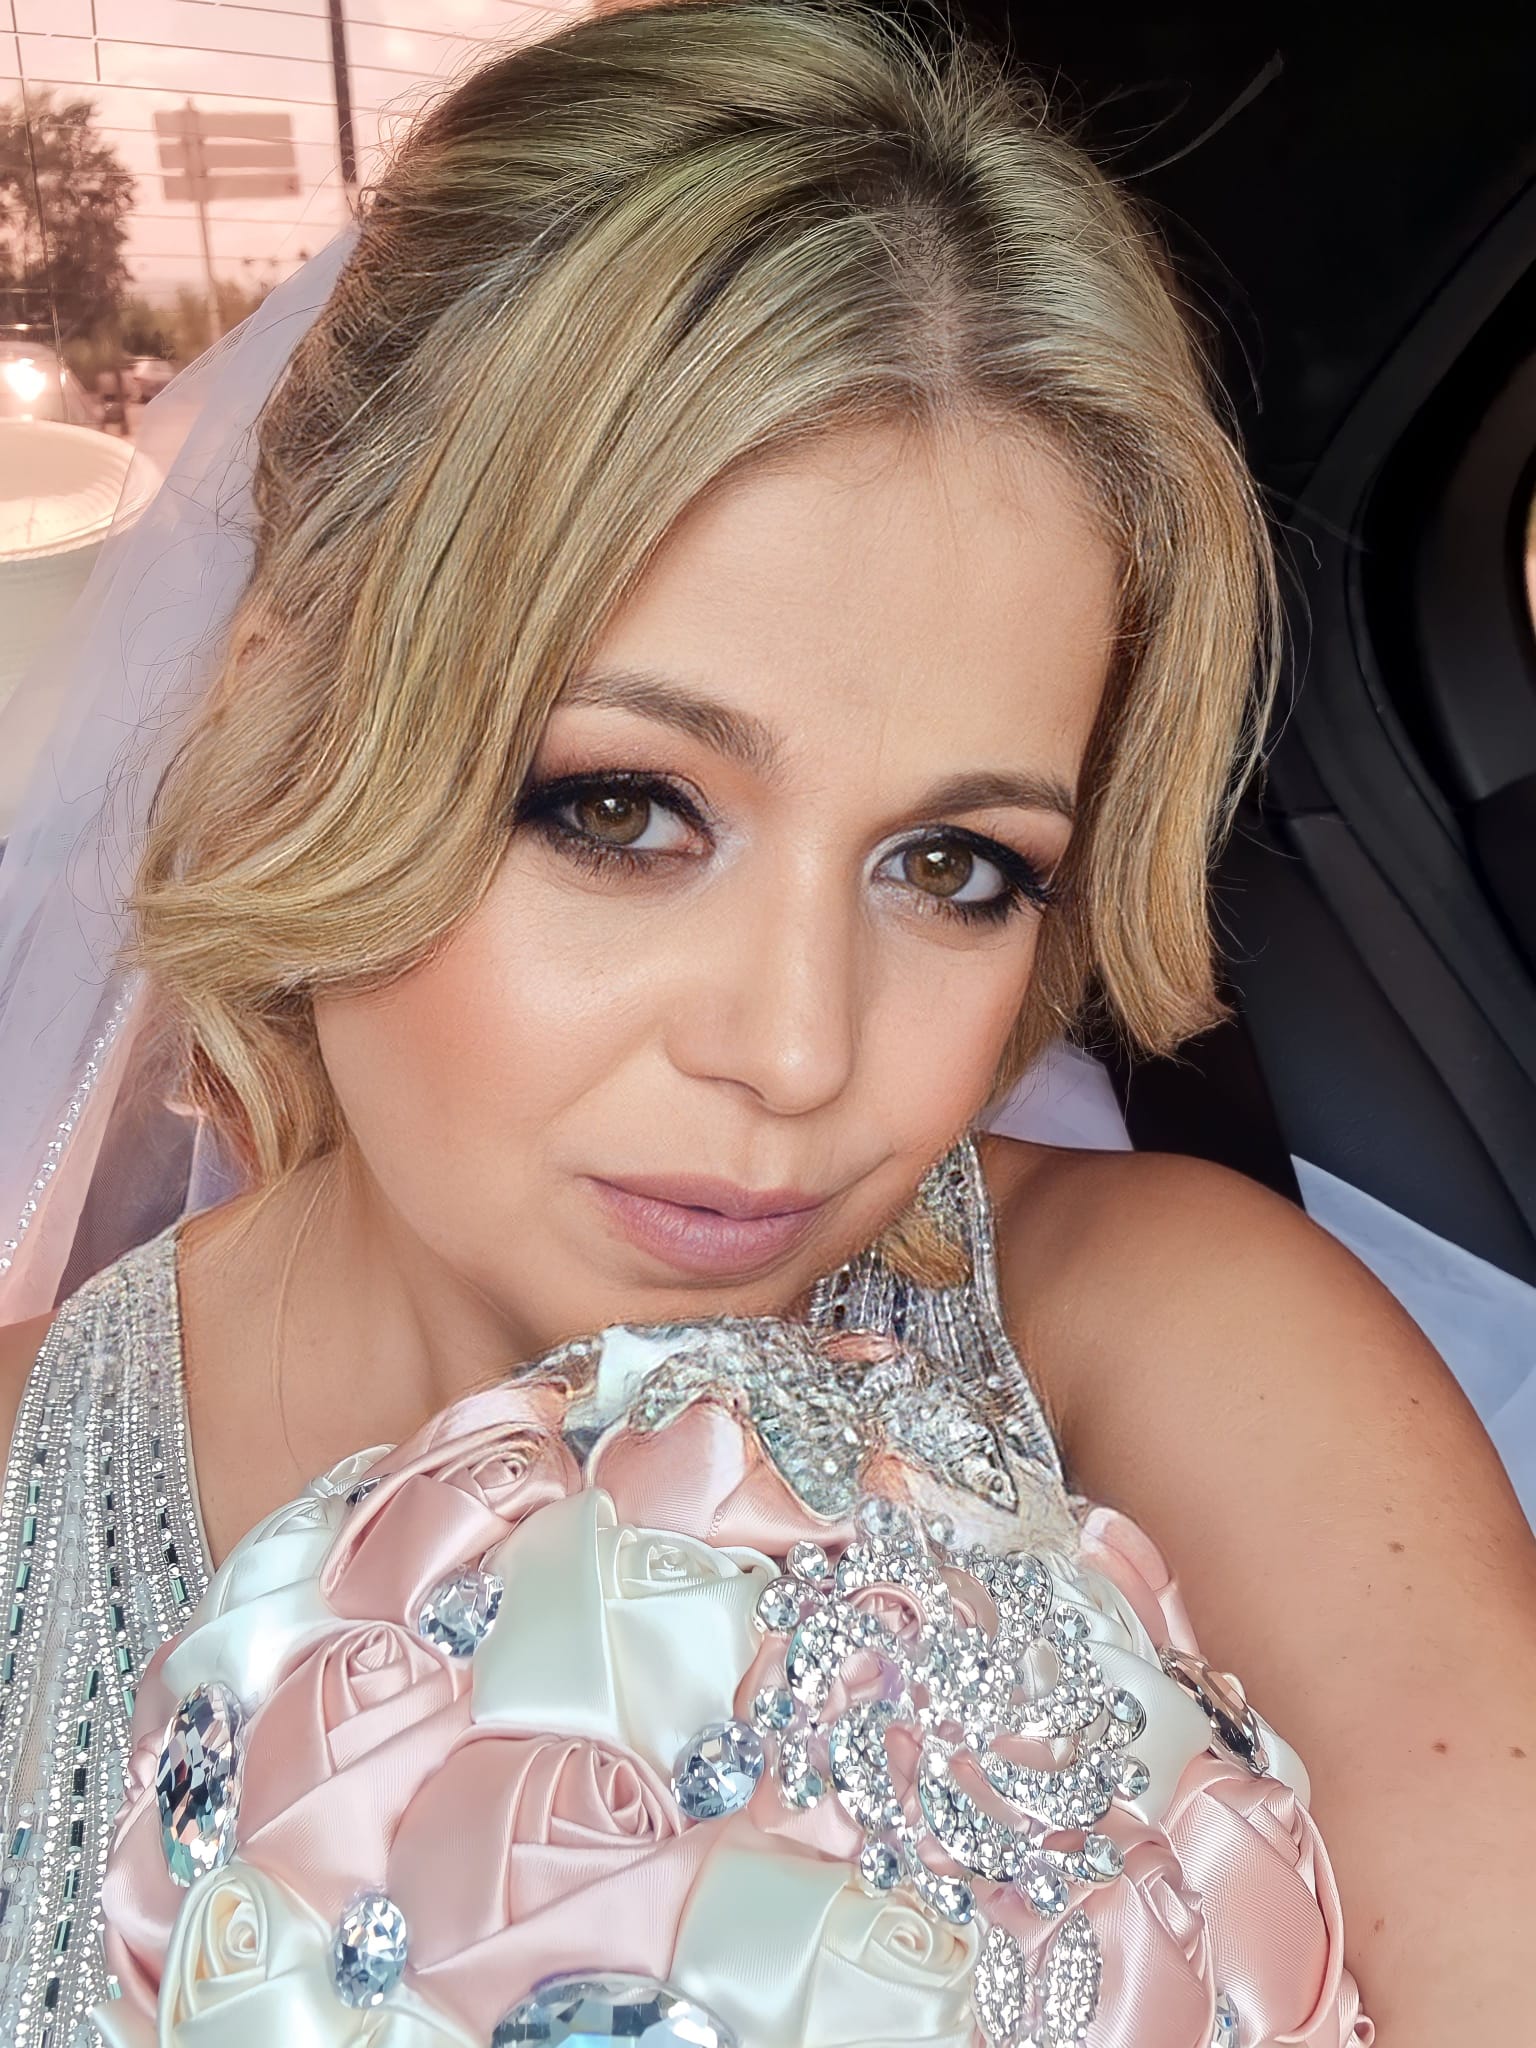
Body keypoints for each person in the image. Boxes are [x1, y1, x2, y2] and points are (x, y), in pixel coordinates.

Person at [0, 3, 1531, 2041]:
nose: (802, 1054)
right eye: (621, 810)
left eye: (953, 866)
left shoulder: (1174, 1354)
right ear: (292, 724)